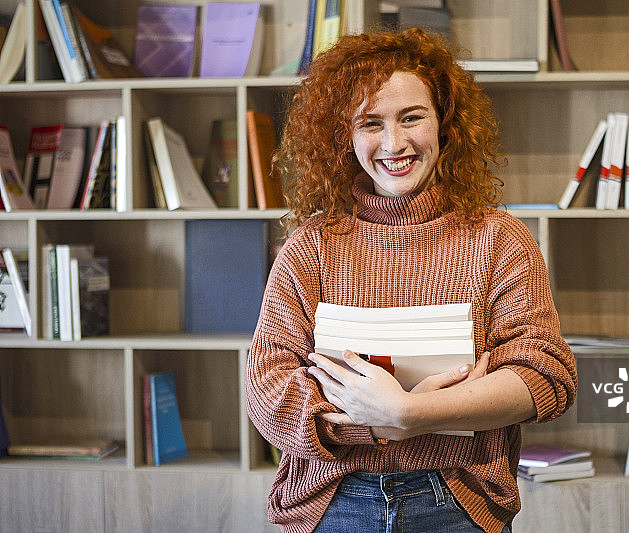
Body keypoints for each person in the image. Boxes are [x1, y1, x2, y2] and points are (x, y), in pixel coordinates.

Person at [246, 27, 577, 533]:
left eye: (411, 117)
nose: (393, 143)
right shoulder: (310, 245)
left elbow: (547, 375)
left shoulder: (500, 239)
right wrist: (377, 424)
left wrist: (410, 413)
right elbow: (267, 388)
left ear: (444, 125)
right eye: (370, 123)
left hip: (460, 502)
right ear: (345, 135)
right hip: (333, 501)